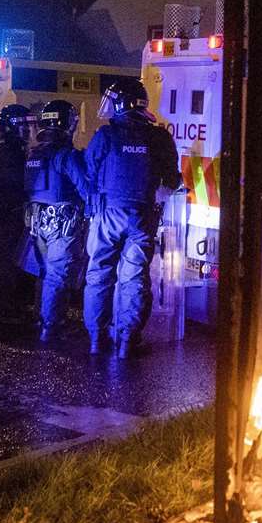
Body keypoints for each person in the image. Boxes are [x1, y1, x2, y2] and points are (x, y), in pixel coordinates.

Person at [81, 77, 181, 357]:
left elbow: (89, 172)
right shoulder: (159, 137)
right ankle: (127, 340)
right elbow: (171, 180)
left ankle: (96, 338)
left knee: (99, 274)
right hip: (141, 217)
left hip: (106, 216)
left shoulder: (105, 135)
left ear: (121, 103)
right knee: (134, 278)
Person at [23, 99, 87, 341]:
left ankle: (43, 318)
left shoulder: (34, 153)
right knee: (57, 275)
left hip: (37, 222)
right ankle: (51, 327)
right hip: (62, 223)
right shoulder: (66, 155)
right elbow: (85, 188)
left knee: (45, 272)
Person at [0, 103, 32, 323]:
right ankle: (4, 309)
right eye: (24, 126)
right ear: (12, 127)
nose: (28, 131)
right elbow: (16, 184)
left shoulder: (4, 149)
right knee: (6, 264)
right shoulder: (5, 152)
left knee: (7, 263)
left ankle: (5, 306)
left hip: (2, 215)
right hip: (5, 216)